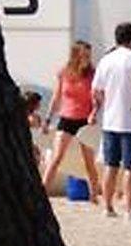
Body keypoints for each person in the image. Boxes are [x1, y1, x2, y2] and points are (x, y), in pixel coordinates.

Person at [90, 21, 131, 221]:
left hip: (111, 120)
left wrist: (99, 109)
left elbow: (95, 90)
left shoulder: (106, 60)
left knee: (110, 165)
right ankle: (130, 209)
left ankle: (108, 207)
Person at [41, 40, 103, 203]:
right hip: (66, 118)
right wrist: (48, 118)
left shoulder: (93, 74)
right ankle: (42, 192)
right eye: (85, 55)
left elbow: (98, 99)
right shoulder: (64, 72)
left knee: (89, 160)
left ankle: (94, 194)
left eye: (89, 56)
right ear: (77, 56)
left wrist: (94, 113)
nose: (88, 59)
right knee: (56, 157)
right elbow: (57, 97)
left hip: (85, 120)